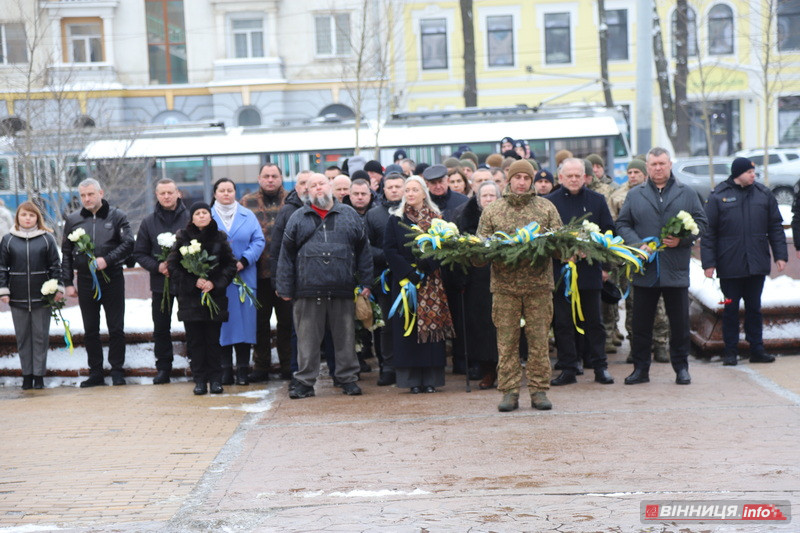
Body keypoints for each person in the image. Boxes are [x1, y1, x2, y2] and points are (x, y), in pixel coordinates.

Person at [616, 147, 708, 386]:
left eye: (662, 164)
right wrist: (637, 244)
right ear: (647, 167)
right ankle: (641, 369)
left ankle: (681, 368)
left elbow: (701, 222)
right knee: (641, 324)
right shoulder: (635, 195)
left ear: (670, 165)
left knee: (679, 324)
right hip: (645, 269)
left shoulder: (687, 193)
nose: (658, 168)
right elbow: (623, 224)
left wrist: (682, 239)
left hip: (675, 268)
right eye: (654, 164)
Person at [276, 173, 372, 399]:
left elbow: (364, 251)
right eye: (313, 186)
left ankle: (348, 379)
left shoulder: (349, 215)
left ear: (330, 186)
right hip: (307, 290)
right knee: (307, 341)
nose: (318, 188)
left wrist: (366, 282)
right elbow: (286, 255)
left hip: (342, 289)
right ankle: (305, 382)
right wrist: (285, 287)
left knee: (345, 338)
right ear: (306, 192)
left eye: (321, 183)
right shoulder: (297, 217)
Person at [477, 159, 562, 412]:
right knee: (506, 343)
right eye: (517, 177)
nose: (522, 182)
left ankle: (539, 390)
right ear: (509, 179)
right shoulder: (493, 210)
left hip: (538, 287)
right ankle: (509, 391)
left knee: (539, 342)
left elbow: (560, 246)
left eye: (526, 178)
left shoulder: (546, 208)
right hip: (505, 288)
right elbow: (480, 252)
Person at [702, 157, 787, 365]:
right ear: (738, 173)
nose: (753, 175)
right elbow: (709, 232)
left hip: (756, 263)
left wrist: (780, 255)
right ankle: (730, 351)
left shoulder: (763, 194)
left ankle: (757, 349)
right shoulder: (719, 196)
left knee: (754, 308)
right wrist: (709, 263)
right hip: (729, 265)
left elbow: (775, 226)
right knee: (730, 309)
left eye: (753, 172)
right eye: (749, 172)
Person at [546, 158, 615, 386]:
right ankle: (568, 367)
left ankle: (600, 367)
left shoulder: (597, 200)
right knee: (563, 323)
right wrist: (561, 253)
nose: (574, 179)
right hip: (561, 273)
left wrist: (597, 256)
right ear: (561, 178)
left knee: (594, 322)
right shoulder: (550, 202)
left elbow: (609, 233)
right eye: (570, 176)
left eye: (578, 175)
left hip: (589, 271)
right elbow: (543, 237)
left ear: (585, 177)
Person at [384, 176, 455, 393]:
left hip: (431, 281)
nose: (410, 194)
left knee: (431, 333)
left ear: (424, 193)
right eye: (407, 190)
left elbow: (443, 246)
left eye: (415, 190)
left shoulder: (437, 219)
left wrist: (427, 265)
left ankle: (431, 379)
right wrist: (409, 272)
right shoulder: (396, 219)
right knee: (408, 331)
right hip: (406, 282)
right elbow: (390, 250)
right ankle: (412, 380)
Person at [62, 178, 134, 387]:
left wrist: (107, 260)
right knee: (90, 329)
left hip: (112, 277)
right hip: (85, 280)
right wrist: (68, 282)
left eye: (91, 194)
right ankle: (96, 372)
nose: (87, 199)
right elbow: (66, 253)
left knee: (116, 327)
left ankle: (117, 370)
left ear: (100, 193)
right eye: (83, 195)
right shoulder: (73, 219)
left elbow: (129, 243)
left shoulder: (117, 216)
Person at [167, 202, 237, 395]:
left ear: (210, 215)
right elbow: (173, 266)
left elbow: (230, 265)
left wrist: (214, 282)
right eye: (197, 213)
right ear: (192, 218)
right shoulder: (182, 238)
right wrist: (193, 281)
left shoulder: (219, 237)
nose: (201, 216)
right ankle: (199, 380)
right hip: (190, 300)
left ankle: (216, 379)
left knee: (213, 341)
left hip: (214, 297)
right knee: (195, 341)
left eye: (205, 212)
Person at [607, 159, 670, 362]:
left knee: (659, 305)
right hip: (629, 259)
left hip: (656, 257)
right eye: (630, 172)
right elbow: (614, 227)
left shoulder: (657, 193)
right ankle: (636, 346)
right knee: (633, 304)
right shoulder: (618, 196)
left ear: (645, 174)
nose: (633, 175)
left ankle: (660, 344)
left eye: (637, 172)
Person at [132, 178, 190, 384]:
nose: (166, 196)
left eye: (170, 192)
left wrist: (182, 266)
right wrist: (158, 266)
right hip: (160, 284)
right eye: (162, 193)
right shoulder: (148, 222)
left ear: (178, 193)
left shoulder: (190, 218)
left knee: (192, 325)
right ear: (157, 195)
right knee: (161, 327)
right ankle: (164, 368)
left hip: (187, 283)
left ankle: (196, 365)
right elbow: (139, 253)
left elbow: (199, 247)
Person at [0, 202, 63, 390]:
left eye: (31, 215)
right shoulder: (8, 240)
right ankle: (27, 376)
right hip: (17, 298)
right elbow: (2, 267)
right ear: (17, 217)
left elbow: (55, 266)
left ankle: (39, 376)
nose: (27, 218)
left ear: (37, 218)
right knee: (23, 338)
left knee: (40, 337)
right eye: (24, 215)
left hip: (42, 298)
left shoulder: (46, 239)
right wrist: (3, 290)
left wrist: (57, 288)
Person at [240, 163, 293, 382]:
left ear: (281, 178)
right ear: (259, 178)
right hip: (258, 273)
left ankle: (288, 365)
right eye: (266, 176)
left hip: (286, 273)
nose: (270, 180)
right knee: (260, 322)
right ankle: (261, 366)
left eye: (274, 176)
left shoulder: (292, 200)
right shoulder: (246, 202)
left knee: (287, 322)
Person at [211, 178, 266, 385]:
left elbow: (258, 240)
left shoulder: (247, 215)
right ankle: (225, 370)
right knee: (223, 324)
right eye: (222, 190)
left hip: (244, 276)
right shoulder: (208, 216)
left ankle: (243, 369)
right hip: (218, 279)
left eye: (230, 190)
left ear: (235, 193)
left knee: (245, 325)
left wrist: (244, 260)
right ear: (215, 194)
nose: (226, 194)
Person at [455, 180, 501, 389]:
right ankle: (487, 370)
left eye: (492, 195)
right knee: (481, 326)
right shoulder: (467, 218)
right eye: (485, 196)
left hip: (505, 278)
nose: (489, 199)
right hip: (478, 281)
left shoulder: (507, 216)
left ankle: (506, 369)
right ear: (478, 199)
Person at [365, 172, 405, 386]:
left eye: (398, 186)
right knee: (387, 326)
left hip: (410, 278)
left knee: (408, 322)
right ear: (384, 189)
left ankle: (407, 365)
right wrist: (389, 257)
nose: (394, 190)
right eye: (390, 187)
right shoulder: (373, 215)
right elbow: (366, 247)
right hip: (384, 279)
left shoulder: (411, 212)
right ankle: (388, 367)